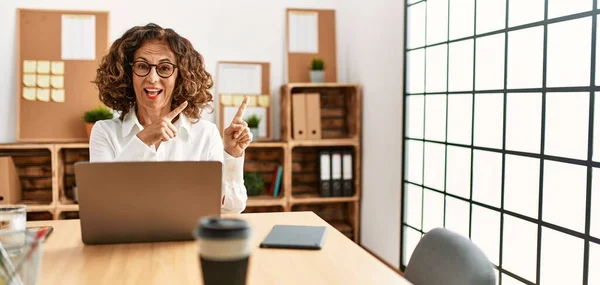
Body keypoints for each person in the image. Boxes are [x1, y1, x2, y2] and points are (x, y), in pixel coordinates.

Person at [90, 23, 251, 214]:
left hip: (188, 240)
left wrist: (231, 156)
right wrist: (143, 140)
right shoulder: (104, 132)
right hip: (127, 241)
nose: (152, 78)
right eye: (142, 66)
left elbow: (233, 208)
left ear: (180, 77)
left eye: (164, 68)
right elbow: (101, 204)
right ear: (127, 73)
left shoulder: (205, 134)